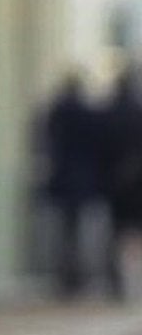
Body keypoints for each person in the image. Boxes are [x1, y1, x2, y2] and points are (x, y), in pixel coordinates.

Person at [38, 70, 105, 297]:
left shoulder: (56, 111)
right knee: (75, 228)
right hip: (82, 179)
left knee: (65, 230)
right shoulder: (87, 112)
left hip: (62, 177)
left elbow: (45, 141)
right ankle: (75, 274)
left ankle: (66, 275)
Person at [101, 64, 142, 300]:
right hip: (137, 182)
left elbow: (100, 149)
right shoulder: (138, 112)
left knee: (117, 231)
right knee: (136, 230)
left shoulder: (109, 113)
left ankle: (118, 280)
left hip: (115, 182)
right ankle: (133, 279)